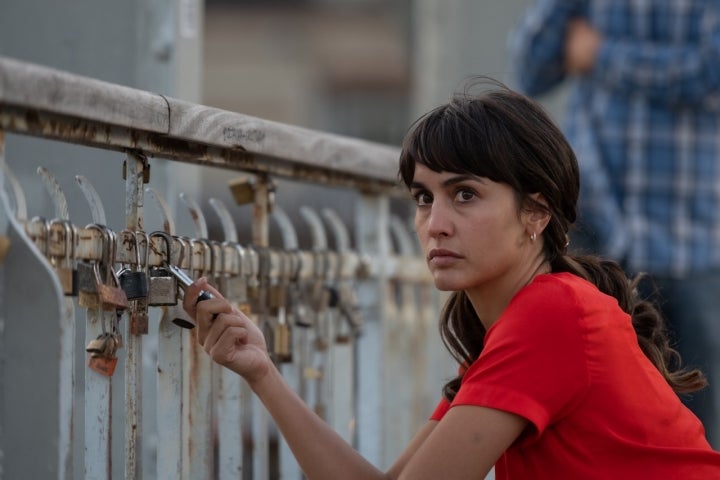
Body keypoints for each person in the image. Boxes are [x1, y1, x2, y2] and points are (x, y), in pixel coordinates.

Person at [182, 82, 720, 479]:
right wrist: (262, 373)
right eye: (423, 197)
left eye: (465, 194)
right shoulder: (511, 329)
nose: (434, 223)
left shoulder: (554, 314)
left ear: (536, 214)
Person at [509, 0, 720, 449]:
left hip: (693, 234)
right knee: (582, 420)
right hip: (593, 223)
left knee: (694, 433)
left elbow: (713, 70)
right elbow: (531, 68)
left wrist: (601, 55)